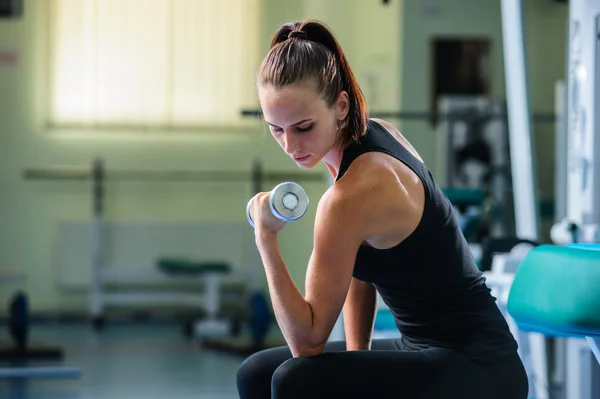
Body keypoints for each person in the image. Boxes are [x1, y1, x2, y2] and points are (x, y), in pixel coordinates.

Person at [240, 19, 528, 399]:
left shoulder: (349, 196)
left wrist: (266, 239)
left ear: (341, 105)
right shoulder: (374, 134)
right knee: (257, 372)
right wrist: (359, 362)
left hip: (477, 366)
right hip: (425, 350)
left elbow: (307, 344)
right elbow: (361, 266)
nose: (290, 145)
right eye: (277, 129)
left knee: (293, 380)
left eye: (303, 126)